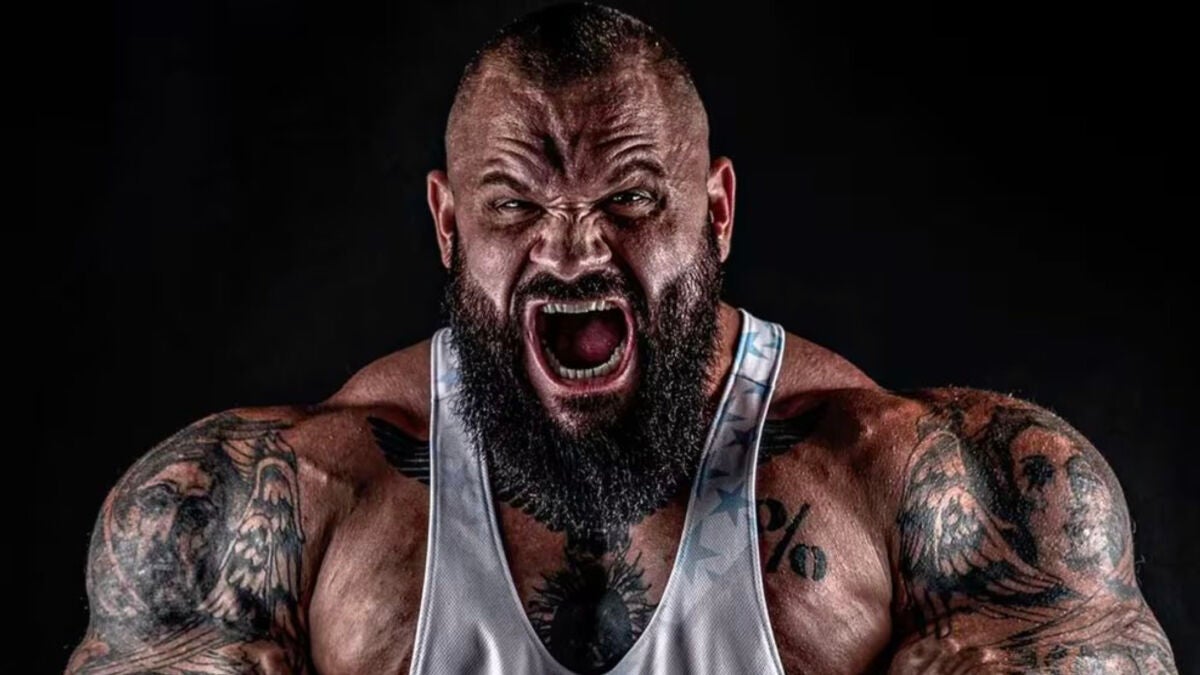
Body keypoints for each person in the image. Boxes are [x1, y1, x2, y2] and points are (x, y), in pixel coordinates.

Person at [66, 4, 1176, 673]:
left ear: (718, 213)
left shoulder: (932, 493)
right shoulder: (275, 507)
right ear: (449, 226)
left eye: (633, 199)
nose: (572, 248)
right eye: (515, 205)